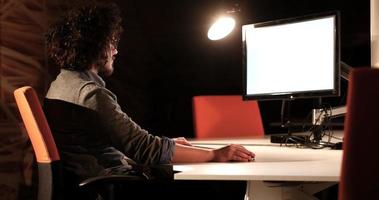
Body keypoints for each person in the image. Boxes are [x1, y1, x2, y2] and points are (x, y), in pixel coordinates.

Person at [44, 2, 254, 199]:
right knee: (221, 185)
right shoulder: (90, 94)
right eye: (112, 43)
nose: (115, 50)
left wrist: (169, 145)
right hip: (116, 187)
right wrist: (216, 154)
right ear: (97, 46)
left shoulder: (60, 85)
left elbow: (131, 143)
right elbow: (144, 148)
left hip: (100, 183)